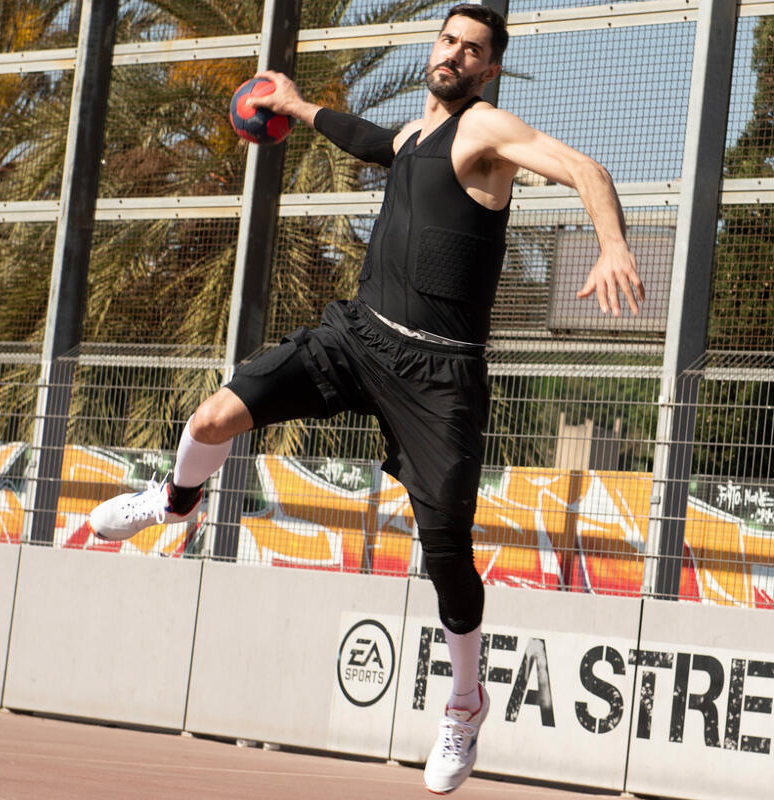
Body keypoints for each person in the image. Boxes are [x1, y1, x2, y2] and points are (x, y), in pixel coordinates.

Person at [89, 4, 644, 794]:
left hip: (439, 376)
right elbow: (366, 138)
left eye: (472, 49)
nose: (453, 53)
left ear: (488, 68)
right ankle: (175, 503)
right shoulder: (415, 137)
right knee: (212, 417)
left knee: (447, 548)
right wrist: (294, 103)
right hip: (357, 338)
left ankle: (463, 702)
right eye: (448, 39)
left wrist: (613, 242)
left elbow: (587, 170)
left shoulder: (485, 130)